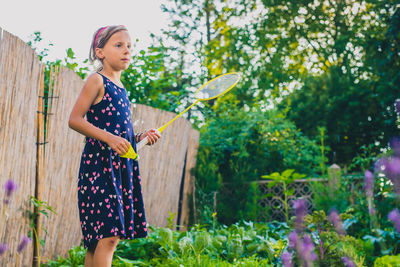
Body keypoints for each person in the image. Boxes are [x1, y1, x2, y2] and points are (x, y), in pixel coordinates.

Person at [68, 25, 161, 267]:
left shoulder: (122, 90)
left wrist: (141, 137)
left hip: (120, 170)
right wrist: (109, 138)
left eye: (129, 46)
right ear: (100, 52)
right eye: (118, 45)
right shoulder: (97, 80)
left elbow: (123, 136)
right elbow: (75, 120)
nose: (126, 50)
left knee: (100, 241)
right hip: (98, 168)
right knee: (108, 237)